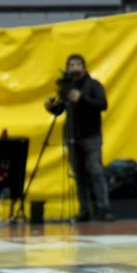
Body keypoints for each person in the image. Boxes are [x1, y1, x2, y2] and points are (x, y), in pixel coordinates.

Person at [45, 53, 112, 222]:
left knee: (95, 171)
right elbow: (61, 110)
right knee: (79, 174)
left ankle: (104, 209)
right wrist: (51, 107)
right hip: (72, 136)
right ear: (67, 68)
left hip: (91, 136)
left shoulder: (93, 85)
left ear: (83, 66)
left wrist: (82, 99)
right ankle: (84, 210)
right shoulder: (66, 89)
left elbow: (102, 104)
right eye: (71, 65)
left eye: (77, 64)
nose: (74, 68)